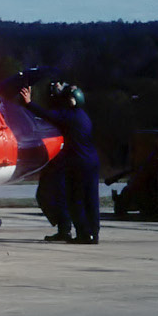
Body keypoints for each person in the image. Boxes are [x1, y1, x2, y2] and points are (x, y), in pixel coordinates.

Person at [19, 80, 101, 244]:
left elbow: (47, 115)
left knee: (75, 199)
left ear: (70, 101)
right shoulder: (82, 116)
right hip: (92, 162)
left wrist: (29, 103)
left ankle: (83, 234)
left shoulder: (68, 116)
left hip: (78, 164)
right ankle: (93, 234)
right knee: (91, 200)